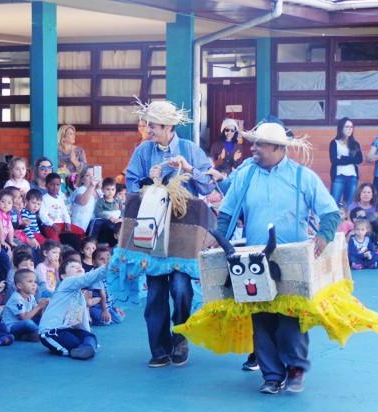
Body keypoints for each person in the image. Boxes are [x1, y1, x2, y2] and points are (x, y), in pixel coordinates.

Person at [216, 121, 340, 394]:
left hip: (292, 259)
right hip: (254, 260)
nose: (253, 148)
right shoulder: (245, 175)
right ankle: (272, 375)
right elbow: (226, 213)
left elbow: (331, 213)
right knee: (261, 317)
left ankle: (295, 370)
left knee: (290, 317)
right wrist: (217, 241)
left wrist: (323, 235)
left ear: (277, 147)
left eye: (259, 144)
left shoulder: (302, 176)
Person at [125, 99, 215, 368]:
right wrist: (146, 181)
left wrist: (189, 170)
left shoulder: (190, 149)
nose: (147, 129)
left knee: (180, 287)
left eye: (151, 125)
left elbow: (209, 183)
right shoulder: (142, 151)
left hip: (184, 230)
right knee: (155, 291)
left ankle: (181, 336)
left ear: (167, 126)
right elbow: (131, 183)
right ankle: (159, 349)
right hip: (152, 228)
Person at [38, 259, 106, 360]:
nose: (79, 267)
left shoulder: (80, 296)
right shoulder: (66, 282)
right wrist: (108, 267)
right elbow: (89, 278)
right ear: (63, 276)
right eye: (73, 267)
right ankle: (82, 348)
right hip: (51, 331)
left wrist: (86, 334)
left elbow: (82, 320)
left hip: (68, 329)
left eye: (80, 266)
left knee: (90, 337)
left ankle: (85, 348)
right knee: (73, 341)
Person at [1, 269, 49, 342]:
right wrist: (38, 306)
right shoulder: (16, 298)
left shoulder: (30, 296)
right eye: (30, 281)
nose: (34, 284)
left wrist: (43, 306)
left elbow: (36, 314)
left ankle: (29, 336)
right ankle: (41, 333)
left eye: (35, 282)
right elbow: (25, 319)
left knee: (42, 320)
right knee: (28, 323)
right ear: (20, 285)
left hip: (24, 325)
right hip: (12, 327)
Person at [40, 173, 86, 243]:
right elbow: (42, 214)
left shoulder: (60, 199)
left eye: (57, 184)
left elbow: (65, 212)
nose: (55, 187)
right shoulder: (44, 198)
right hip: (50, 225)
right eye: (51, 184)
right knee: (54, 241)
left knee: (81, 231)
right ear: (46, 186)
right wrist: (53, 225)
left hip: (63, 224)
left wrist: (67, 223)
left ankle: (81, 251)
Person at [329, 117, 362, 206]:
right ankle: (334, 220)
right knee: (334, 203)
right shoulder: (334, 143)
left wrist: (344, 158)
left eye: (351, 127)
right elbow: (334, 161)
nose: (349, 129)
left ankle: (347, 220)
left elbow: (359, 160)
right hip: (339, 176)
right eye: (347, 127)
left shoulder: (355, 144)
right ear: (341, 128)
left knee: (349, 204)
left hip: (352, 177)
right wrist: (351, 160)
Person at [89, 247, 125, 326]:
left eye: (108, 259)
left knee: (120, 318)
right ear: (94, 262)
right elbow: (102, 295)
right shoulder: (96, 275)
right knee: (106, 322)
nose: (106, 262)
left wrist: (114, 307)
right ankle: (90, 317)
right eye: (102, 259)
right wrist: (105, 311)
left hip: (108, 306)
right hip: (96, 307)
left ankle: (107, 315)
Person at [70, 167, 101, 234]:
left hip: (95, 227)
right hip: (80, 227)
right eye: (88, 175)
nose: (91, 177)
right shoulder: (79, 190)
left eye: (93, 175)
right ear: (82, 179)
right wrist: (92, 186)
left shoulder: (100, 192)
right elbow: (82, 202)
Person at [94, 177, 124, 246]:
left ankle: (120, 244)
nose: (110, 192)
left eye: (113, 189)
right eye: (107, 189)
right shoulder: (101, 202)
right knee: (110, 227)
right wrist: (109, 217)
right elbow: (98, 213)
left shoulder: (117, 200)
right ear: (102, 190)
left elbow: (122, 210)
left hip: (118, 220)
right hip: (107, 221)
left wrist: (121, 219)